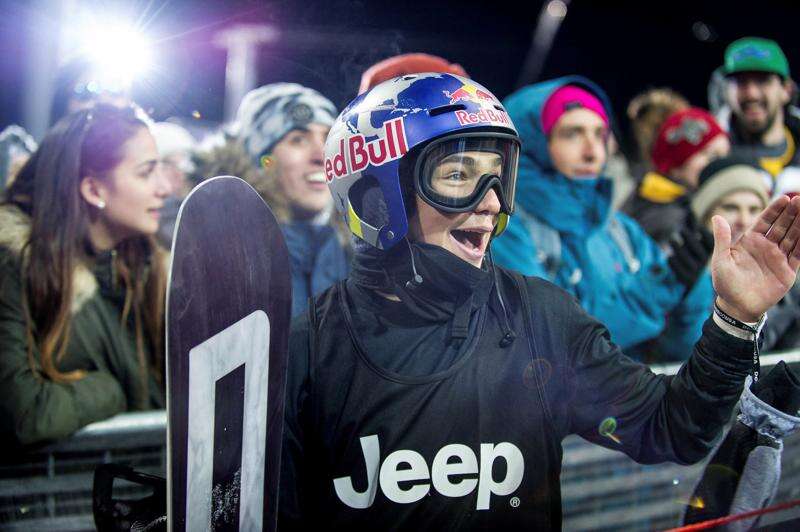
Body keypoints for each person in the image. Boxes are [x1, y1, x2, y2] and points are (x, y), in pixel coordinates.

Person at [278, 72, 800, 529]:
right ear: (378, 194)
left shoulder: (540, 319)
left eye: (498, 175)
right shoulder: (309, 354)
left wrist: (735, 318)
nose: (490, 202)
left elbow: (675, 429)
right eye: (457, 175)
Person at [491, 78, 710, 360]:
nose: (592, 152)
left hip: (639, 398)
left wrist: (692, 288)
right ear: (532, 141)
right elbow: (557, 343)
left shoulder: (620, 230)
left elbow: (675, 354)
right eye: (572, 134)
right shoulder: (506, 230)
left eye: (600, 135)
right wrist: (659, 292)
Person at [0, 104, 170, 447]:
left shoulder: (147, 267)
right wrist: (110, 390)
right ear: (94, 191)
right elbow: (26, 412)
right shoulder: (14, 264)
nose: (164, 187)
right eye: (145, 173)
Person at [234, 83, 350, 317]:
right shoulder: (229, 258)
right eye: (298, 139)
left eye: (328, 137)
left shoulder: (361, 255)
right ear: (263, 160)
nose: (322, 155)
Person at [691, 157, 800, 351]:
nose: (743, 220)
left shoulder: (786, 276)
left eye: (754, 209)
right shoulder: (679, 269)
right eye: (731, 208)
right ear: (706, 212)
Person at [623, 107, 730, 246]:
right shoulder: (670, 220)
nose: (721, 164)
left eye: (725, 155)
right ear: (677, 164)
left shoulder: (650, 198)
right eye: (711, 155)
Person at [721, 37, 800, 182]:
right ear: (726, 92)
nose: (751, 94)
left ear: (787, 90)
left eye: (763, 80)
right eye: (741, 82)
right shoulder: (711, 157)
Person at [150, 121, 197, 248]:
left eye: (184, 165)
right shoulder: (144, 220)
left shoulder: (202, 212)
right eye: (167, 164)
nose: (179, 173)